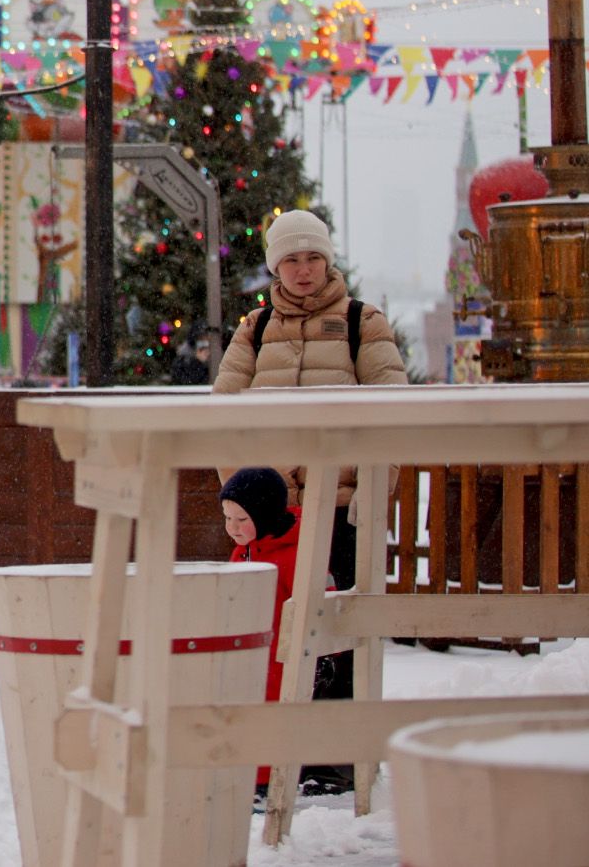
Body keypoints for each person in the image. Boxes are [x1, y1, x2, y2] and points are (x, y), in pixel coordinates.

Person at [214, 210, 403, 789]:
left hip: (341, 509)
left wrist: (369, 497)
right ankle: (271, 750)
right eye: (291, 259)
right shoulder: (254, 328)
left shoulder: (359, 323)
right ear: (276, 265)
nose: (302, 269)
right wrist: (243, 497)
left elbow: (393, 416)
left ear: (327, 261)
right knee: (267, 633)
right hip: (275, 517)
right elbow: (222, 414)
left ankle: (333, 756)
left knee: (336, 631)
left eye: (312, 257)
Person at [220, 466, 350, 801]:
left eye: (241, 519)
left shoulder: (298, 555)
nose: (232, 528)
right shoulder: (244, 550)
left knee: (274, 715)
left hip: (285, 653)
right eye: (227, 518)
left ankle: (266, 782)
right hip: (251, 650)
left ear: (263, 516)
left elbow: (323, 603)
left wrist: (326, 651)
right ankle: (251, 772)